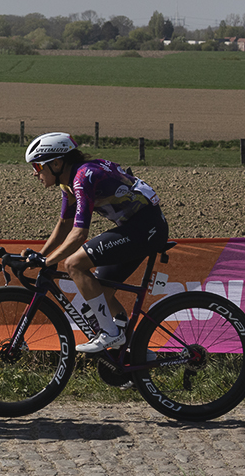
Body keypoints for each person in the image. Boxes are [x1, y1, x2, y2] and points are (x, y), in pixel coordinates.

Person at [24, 131, 168, 353]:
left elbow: (79, 234)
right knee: (99, 293)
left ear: (57, 163)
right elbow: (64, 223)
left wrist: (48, 261)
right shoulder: (68, 182)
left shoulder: (83, 177)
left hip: (145, 228)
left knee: (73, 264)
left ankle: (110, 334)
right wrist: (42, 255)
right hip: (138, 227)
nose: (35, 174)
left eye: (37, 167)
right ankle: (133, 358)